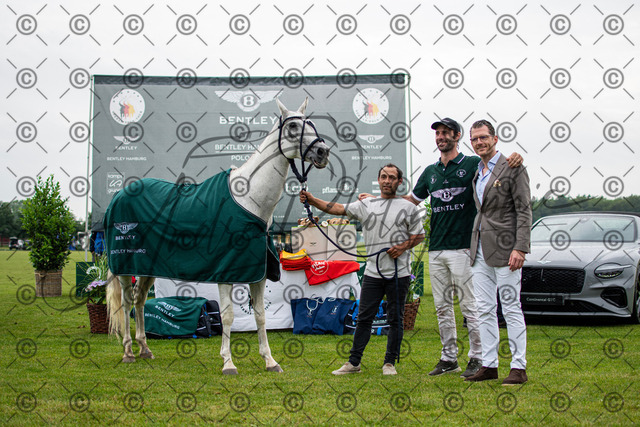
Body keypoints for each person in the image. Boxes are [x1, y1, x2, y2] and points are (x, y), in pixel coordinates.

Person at [360, 118, 522, 379]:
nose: (441, 137)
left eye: (446, 133)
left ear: (457, 136)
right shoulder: (430, 171)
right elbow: (410, 201)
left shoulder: (471, 163)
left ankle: (477, 357)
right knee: (442, 308)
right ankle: (449, 358)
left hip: (464, 248)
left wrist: (514, 157)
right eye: (438, 134)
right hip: (436, 248)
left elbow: (494, 165)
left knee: (470, 307)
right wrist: (379, 200)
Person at [300, 164, 425, 375]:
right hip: (372, 274)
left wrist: (403, 247)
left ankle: (389, 363)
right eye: (383, 176)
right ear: (379, 179)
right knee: (364, 319)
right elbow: (337, 208)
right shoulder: (366, 204)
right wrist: (312, 200)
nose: (387, 181)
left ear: (399, 182)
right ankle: (354, 363)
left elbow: (419, 235)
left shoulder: (408, 208)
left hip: (399, 273)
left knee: (395, 320)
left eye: (392, 177)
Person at [465, 119, 532, 385]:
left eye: (483, 137)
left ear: (494, 139)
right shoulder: (477, 171)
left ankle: (518, 367)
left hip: (507, 249)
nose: (479, 142)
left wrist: (520, 247)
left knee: (511, 307)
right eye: (474, 139)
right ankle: (489, 364)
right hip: (479, 248)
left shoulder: (513, 167)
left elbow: (524, 210)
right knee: (484, 309)